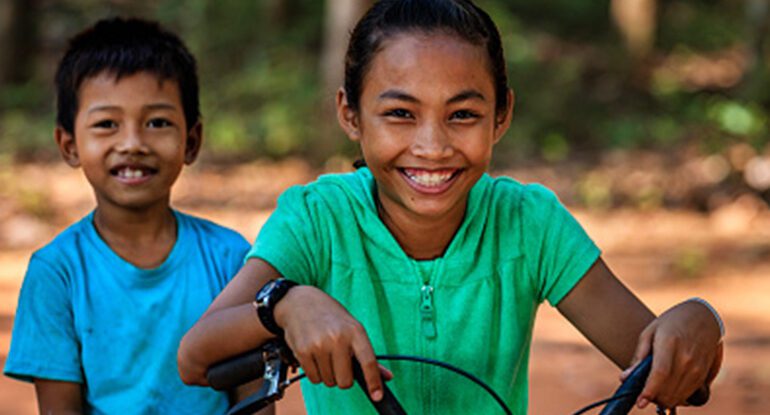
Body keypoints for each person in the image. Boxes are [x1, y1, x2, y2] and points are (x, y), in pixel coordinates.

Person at [177, 1, 724, 414]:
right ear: (350, 114)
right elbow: (196, 356)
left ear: (501, 115)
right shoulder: (317, 219)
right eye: (400, 114)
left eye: (462, 115)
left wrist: (702, 322)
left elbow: (671, 368)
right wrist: (286, 304)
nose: (433, 146)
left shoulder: (529, 224)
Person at [3, 18, 261, 414]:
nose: (133, 143)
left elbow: (254, 400)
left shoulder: (230, 259)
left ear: (191, 141)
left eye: (157, 123)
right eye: (107, 124)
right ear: (69, 145)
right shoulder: (57, 273)